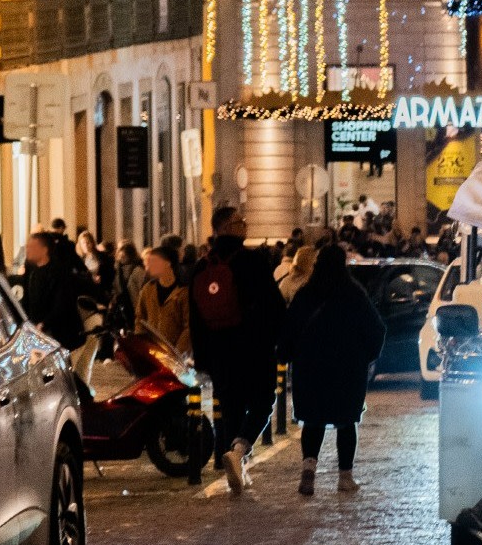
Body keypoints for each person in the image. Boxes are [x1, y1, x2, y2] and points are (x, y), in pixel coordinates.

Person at [189, 206, 287, 495]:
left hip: (218, 351)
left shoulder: (200, 267)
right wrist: (278, 339)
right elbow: (273, 305)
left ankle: (236, 467)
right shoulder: (252, 261)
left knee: (230, 407)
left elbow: (195, 319)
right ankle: (239, 450)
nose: (244, 224)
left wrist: (202, 358)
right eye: (238, 221)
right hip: (254, 347)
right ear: (224, 227)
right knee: (263, 401)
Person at [282, 245, 386, 496]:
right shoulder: (354, 294)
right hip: (347, 370)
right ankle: (345, 477)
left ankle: (308, 470)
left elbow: (289, 329)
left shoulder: (306, 293)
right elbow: (376, 329)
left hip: (310, 369)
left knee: (313, 421)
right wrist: (366, 357)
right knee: (346, 422)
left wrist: (289, 355)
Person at [23, 232, 84, 350]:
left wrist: (44, 324)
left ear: (44, 250)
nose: (27, 250)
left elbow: (62, 303)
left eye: (31, 247)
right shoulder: (32, 271)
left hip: (58, 334)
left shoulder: (59, 272)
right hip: (38, 331)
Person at [135, 246, 191, 355]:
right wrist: (141, 343)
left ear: (168, 263)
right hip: (151, 351)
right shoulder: (148, 289)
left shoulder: (183, 292)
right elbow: (140, 318)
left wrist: (177, 351)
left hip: (174, 354)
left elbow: (188, 326)